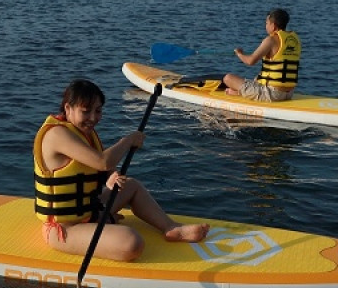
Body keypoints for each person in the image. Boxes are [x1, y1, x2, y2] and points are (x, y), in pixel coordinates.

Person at [33, 79, 210, 262]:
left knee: (131, 186)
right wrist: (128, 140)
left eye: (98, 111)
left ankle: (172, 228)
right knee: (132, 243)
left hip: (90, 212)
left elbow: (100, 168)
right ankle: (107, 222)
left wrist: (111, 176)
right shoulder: (56, 134)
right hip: (63, 229)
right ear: (68, 108)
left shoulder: (84, 132)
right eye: (86, 111)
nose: (93, 118)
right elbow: (102, 161)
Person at [223, 8, 300, 102]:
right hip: (289, 93)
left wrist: (239, 54)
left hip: (272, 95)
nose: (266, 26)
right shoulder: (295, 40)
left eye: (267, 23)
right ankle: (241, 92)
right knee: (258, 78)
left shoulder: (270, 40)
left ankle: (239, 93)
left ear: (274, 26)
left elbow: (250, 61)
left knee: (228, 78)